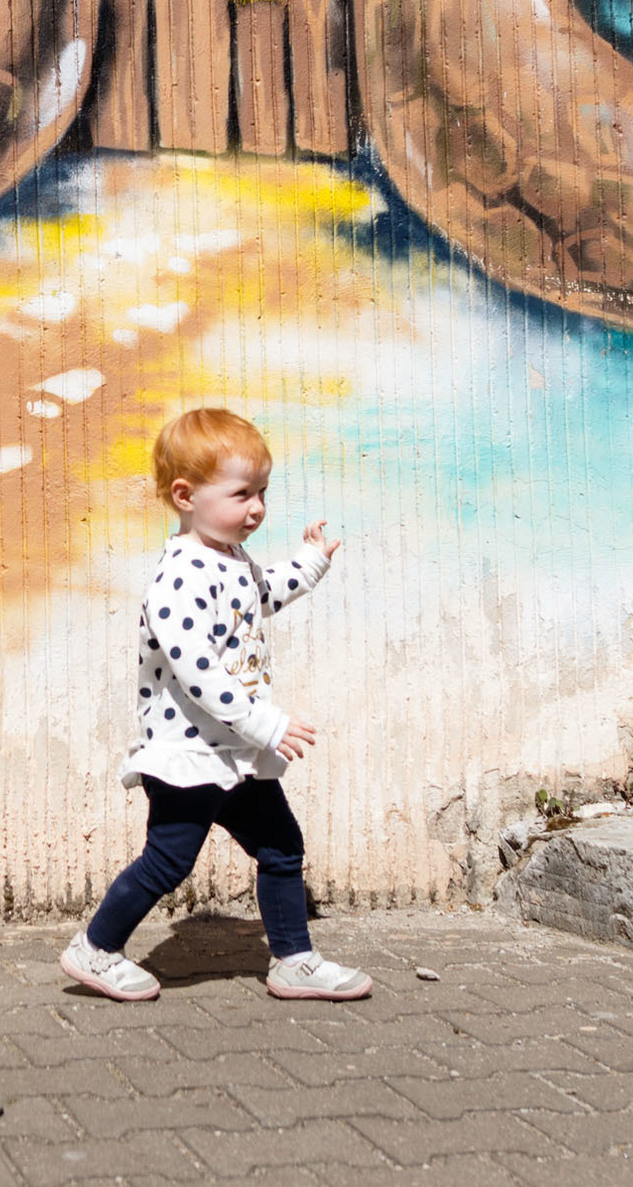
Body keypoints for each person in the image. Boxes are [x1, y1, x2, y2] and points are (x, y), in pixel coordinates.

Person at [57, 408, 369, 1004]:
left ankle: (293, 959)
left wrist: (311, 562)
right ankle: (94, 948)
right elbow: (197, 670)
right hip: (187, 757)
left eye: (262, 493)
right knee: (167, 862)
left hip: (234, 756)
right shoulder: (178, 576)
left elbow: (262, 593)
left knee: (281, 846)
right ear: (186, 495)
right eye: (242, 493)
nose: (256, 508)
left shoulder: (229, 559)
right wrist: (266, 723)